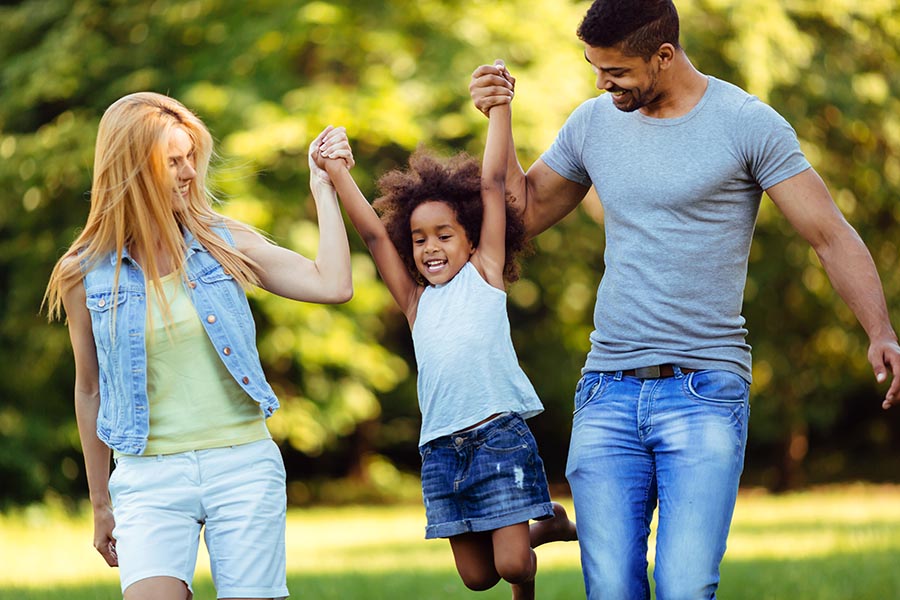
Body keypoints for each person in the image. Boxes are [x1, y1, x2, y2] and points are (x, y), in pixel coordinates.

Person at [468, 1, 900, 598]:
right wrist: (499, 116)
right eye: (594, 68)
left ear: (664, 55)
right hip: (607, 389)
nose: (601, 83)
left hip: (705, 390)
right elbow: (521, 211)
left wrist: (880, 330)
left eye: (615, 71)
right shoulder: (593, 124)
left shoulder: (747, 123)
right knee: (612, 588)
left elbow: (829, 234)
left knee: (684, 585)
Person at [43, 91, 354, 600]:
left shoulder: (222, 240)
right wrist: (100, 502)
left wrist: (323, 187)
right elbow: (89, 389)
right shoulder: (85, 273)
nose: (190, 173)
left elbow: (333, 285)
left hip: (242, 465)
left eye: (192, 158)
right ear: (133, 170)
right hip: (148, 477)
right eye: (174, 162)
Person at [313, 61, 576, 600]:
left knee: (511, 566)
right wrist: (337, 171)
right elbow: (371, 236)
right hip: (441, 451)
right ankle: (540, 522)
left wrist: (500, 108)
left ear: (471, 239)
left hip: (498, 436)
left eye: (443, 235)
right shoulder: (415, 303)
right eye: (419, 239)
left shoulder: (486, 273)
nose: (430, 248)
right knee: (477, 579)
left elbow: (493, 181)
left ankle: (537, 548)